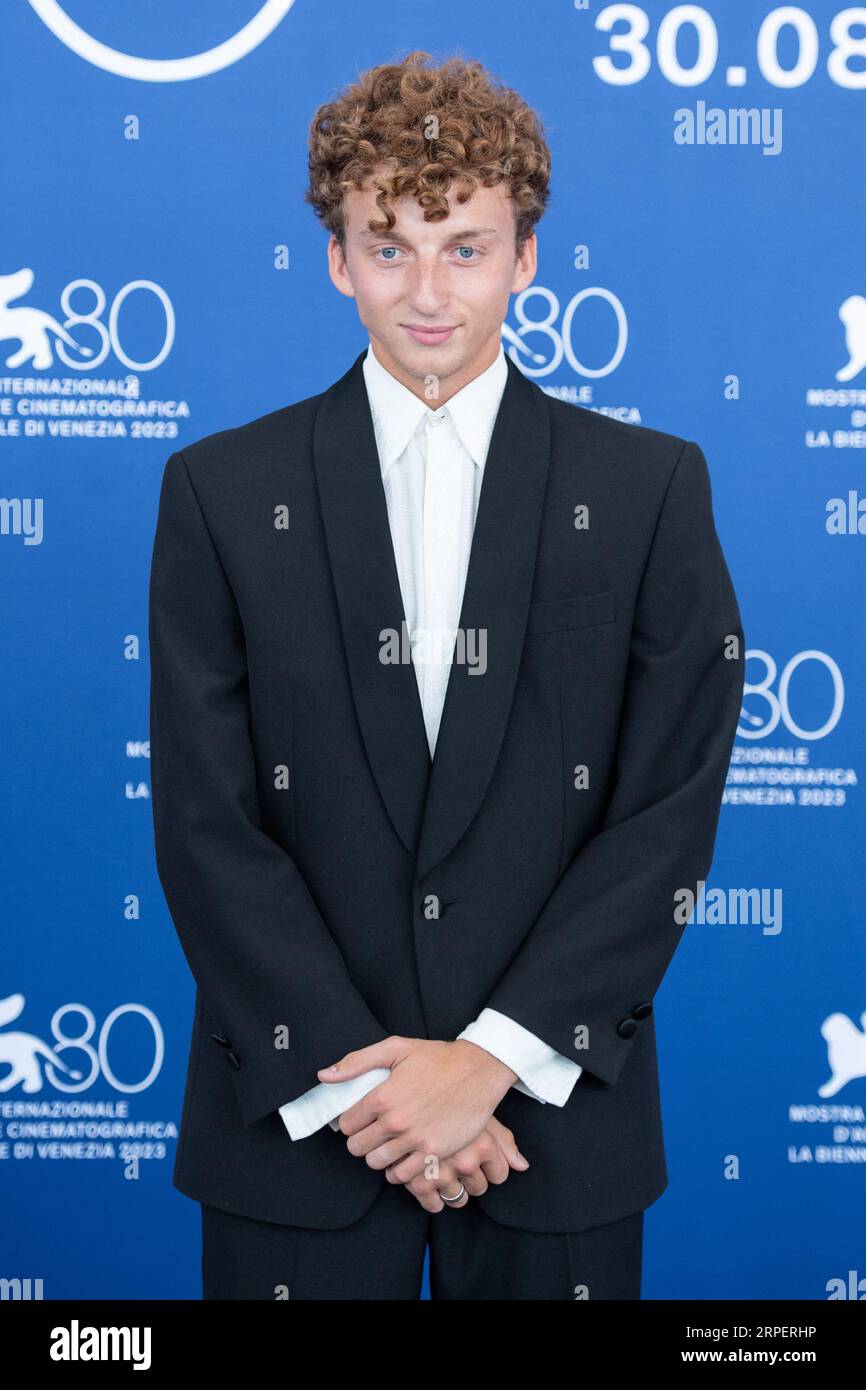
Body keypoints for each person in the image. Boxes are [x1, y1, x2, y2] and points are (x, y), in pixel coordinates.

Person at [148, 50, 745, 1300]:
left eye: (464, 248)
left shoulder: (647, 492)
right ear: (335, 258)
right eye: (389, 246)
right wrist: (368, 1082)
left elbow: (663, 811)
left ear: (526, 257)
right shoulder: (217, 491)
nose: (427, 291)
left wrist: (493, 1059)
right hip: (300, 1126)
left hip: (551, 1127)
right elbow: (207, 821)